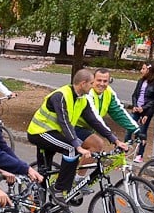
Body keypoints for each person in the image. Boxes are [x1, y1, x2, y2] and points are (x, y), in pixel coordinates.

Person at [25, 69, 114, 197]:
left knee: (44, 170)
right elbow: (64, 122)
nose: (93, 86)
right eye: (91, 83)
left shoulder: (82, 99)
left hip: (54, 133)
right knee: (71, 149)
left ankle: (43, 203)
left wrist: (114, 139)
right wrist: (77, 145)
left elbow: (94, 121)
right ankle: (59, 190)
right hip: (40, 133)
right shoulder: (60, 96)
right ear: (83, 84)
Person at [73, 69, 137, 156]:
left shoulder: (109, 92)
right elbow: (95, 119)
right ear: (93, 80)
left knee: (92, 155)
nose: (102, 84)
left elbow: (118, 112)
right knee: (97, 144)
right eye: (99, 80)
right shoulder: (88, 92)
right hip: (75, 126)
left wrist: (136, 129)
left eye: (105, 81)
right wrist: (114, 139)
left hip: (89, 129)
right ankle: (75, 170)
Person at [128, 63, 154, 162]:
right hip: (136, 109)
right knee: (129, 128)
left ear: (149, 70)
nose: (141, 71)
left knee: (142, 132)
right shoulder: (140, 81)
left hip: (146, 111)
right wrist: (135, 106)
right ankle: (125, 150)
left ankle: (140, 154)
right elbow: (135, 95)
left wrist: (145, 110)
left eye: (143, 69)